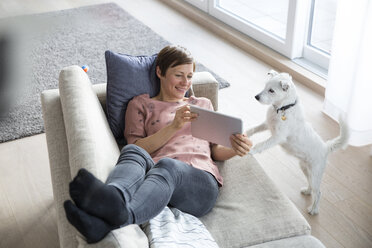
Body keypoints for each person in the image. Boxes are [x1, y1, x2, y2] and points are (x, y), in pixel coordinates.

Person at [63, 45, 253, 243]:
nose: (185, 83)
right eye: (179, 75)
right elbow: (138, 148)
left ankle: (123, 215)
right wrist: (173, 126)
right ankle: (113, 198)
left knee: (168, 165)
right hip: (157, 178)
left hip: (201, 184)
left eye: (189, 76)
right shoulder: (140, 104)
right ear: (160, 72)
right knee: (132, 151)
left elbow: (215, 151)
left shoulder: (202, 104)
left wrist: (235, 148)